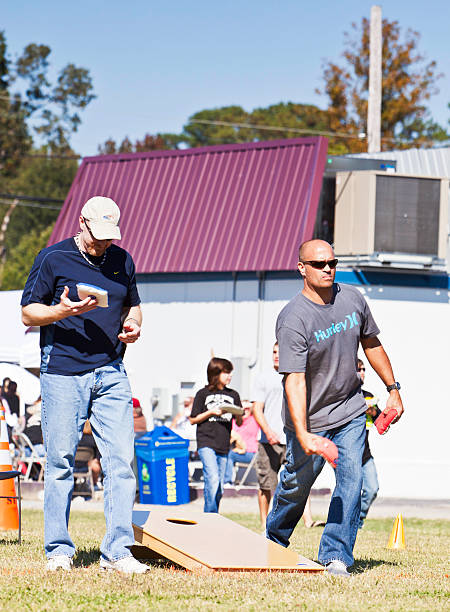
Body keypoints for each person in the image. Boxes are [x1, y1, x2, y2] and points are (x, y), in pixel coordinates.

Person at [20, 195, 149, 574]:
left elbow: (134, 305)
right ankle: (59, 550)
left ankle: (119, 552)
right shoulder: (53, 258)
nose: (104, 243)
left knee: (121, 461)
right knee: (60, 462)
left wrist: (134, 325)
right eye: (98, 235)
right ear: (81, 223)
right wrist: (61, 311)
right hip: (62, 370)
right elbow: (28, 310)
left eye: (111, 236)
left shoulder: (122, 260)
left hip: (110, 370)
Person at [266, 239, 404, 577]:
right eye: (319, 264)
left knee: (352, 480)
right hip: (309, 419)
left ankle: (335, 556)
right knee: (296, 485)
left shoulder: (352, 299)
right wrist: (304, 435)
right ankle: (272, 542)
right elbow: (294, 381)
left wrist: (393, 390)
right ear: (302, 268)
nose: (328, 268)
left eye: (332, 262)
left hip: (350, 412)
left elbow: (371, 343)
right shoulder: (293, 319)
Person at [252, 343, 322, 530]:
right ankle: (264, 523)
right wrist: (267, 431)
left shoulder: (297, 377)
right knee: (267, 485)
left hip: (293, 438)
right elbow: (256, 409)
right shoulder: (263, 378)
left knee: (301, 480)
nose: (276, 356)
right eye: (273, 352)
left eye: (279, 352)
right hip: (269, 441)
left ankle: (308, 521)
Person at [189, 357, 242, 512]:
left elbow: (238, 423)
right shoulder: (202, 394)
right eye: (226, 372)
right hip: (206, 442)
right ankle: (210, 517)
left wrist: (238, 414)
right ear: (215, 374)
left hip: (224, 445)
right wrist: (211, 412)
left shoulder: (234, 395)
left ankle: (213, 516)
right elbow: (193, 419)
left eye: (230, 373)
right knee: (212, 479)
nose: (229, 376)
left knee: (219, 486)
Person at [357, 358, 381, 529]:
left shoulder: (368, 396)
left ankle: (359, 519)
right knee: (348, 493)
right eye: (359, 369)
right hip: (346, 454)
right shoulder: (342, 396)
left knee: (372, 488)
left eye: (364, 369)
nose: (362, 373)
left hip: (365, 454)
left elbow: (381, 423)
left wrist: (374, 412)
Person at [224, 400, 259, 485]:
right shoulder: (234, 422)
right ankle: (224, 481)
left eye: (247, 408)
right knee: (225, 454)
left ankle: (227, 481)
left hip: (253, 453)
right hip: (238, 451)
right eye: (243, 408)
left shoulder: (255, 420)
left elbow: (258, 406)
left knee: (230, 455)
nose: (245, 410)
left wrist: (250, 404)